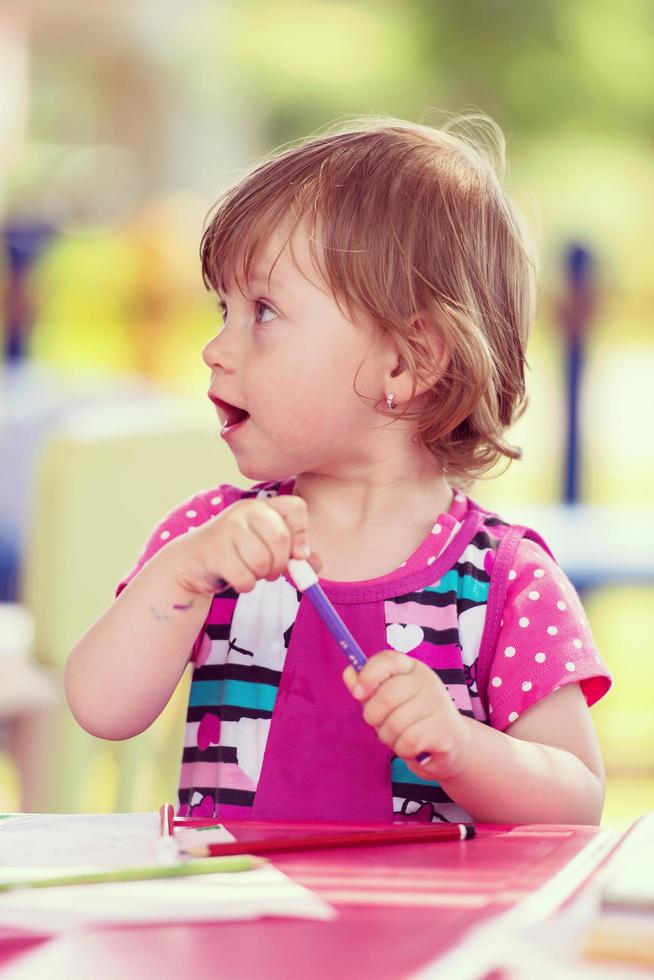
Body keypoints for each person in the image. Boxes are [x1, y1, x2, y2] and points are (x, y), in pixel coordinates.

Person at [65, 114, 611, 825]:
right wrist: (183, 572)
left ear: (406, 362)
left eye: (262, 311)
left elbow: (576, 800)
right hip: (239, 929)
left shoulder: (504, 582)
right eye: (221, 309)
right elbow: (100, 708)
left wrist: (462, 748)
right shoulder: (214, 540)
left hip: (422, 935)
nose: (215, 349)